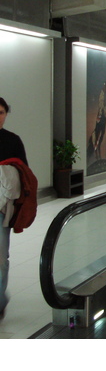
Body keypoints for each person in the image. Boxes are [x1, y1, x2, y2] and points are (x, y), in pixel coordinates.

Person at [0, 97, 29, 319]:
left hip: (3, 208)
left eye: (1, 112)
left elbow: (25, 175)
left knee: (1, 257)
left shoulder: (12, 141)